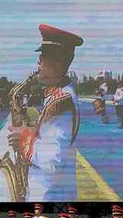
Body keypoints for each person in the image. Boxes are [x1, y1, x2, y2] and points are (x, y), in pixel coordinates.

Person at [7, 24, 84, 200]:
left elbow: (52, 161)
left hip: (50, 195)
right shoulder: (59, 93)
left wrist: (24, 138)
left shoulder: (61, 101)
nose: (38, 63)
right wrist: (33, 131)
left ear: (57, 62)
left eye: (42, 58)